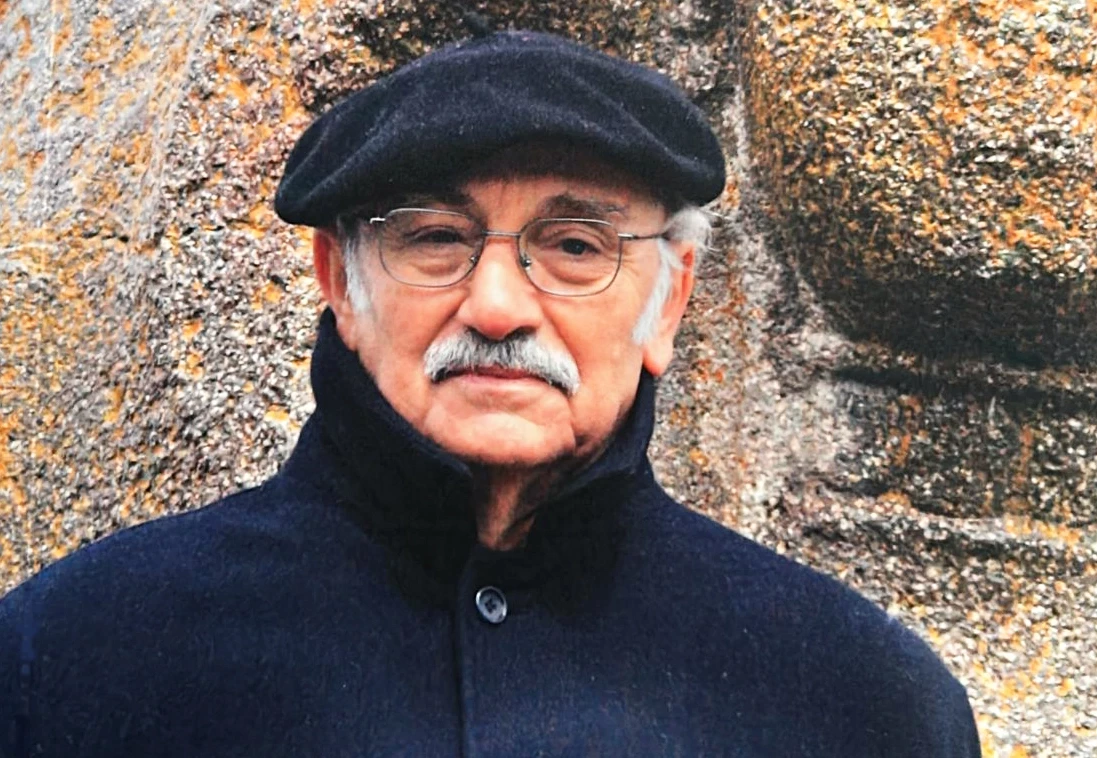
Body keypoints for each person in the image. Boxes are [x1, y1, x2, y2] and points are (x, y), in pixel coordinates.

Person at [0, 30, 981, 757]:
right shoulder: (74, 659)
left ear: (669, 301)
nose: (500, 306)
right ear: (339, 281)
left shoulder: (864, 703)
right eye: (436, 238)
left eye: (575, 246)